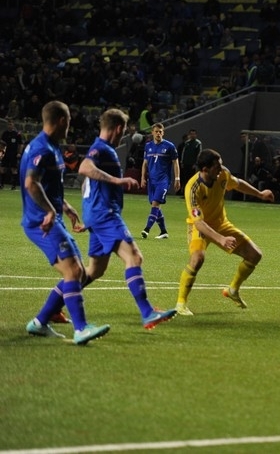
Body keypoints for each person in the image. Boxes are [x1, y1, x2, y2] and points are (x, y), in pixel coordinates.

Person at [77, 108, 177, 329]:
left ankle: (47, 313)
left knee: (95, 270)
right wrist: (117, 181)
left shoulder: (103, 149)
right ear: (118, 128)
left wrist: (88, 216)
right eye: (123, 131)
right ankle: (147, 312)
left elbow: (87, 184)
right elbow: (85, 168)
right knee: (134, 257)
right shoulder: (102, 149)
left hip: (97, 216)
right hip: (106, 215)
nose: (123, 135)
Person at [22, 100, 110, 345]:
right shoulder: (42, 148)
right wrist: (50, 211)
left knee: (78, 273)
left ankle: (40, 322)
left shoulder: (49, 147)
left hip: (52, 218)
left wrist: (64, 207)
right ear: (62, 120)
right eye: (69, 121)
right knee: (74, 271)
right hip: (41, 222)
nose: (70, 125)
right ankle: (81, 328)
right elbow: (31, 184)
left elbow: (47, 186)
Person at [175, 148, 274, 316]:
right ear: (205, 169)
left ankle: (232, 290)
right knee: (197, 259)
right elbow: (198, 222)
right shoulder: (193, 188)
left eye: (221, 165)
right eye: (217, 167)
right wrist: (220, 239)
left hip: (221, 224)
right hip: (200, 227)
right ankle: (181, 304)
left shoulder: (223, 174)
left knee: (255, 255)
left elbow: (237, 183)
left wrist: (259, 194)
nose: (221, 169)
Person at [140, 122, 180, 239]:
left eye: (160, 132)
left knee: (155, 204)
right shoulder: (148, 146)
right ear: (152, 132)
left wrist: (177, 178)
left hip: (163, 180)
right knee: (155, 205)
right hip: (151, 180)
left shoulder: (169, 146)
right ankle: (163, 231)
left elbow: (175, 162)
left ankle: (147, 229)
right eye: (156, 131)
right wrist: (142, 177)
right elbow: (145, 163)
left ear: (163, 133)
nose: (158, 133)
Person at [1, 120, 23, 190]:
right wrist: (1, 152)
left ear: (13, 125)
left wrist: (19, 153)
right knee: (3, 168)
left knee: (14, 169)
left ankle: (13, 186)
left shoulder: (17, 134)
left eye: (11, 124)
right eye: (8, 124)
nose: (9, 126)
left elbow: (20, 144)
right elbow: (2, 143)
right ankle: (1, 184)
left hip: (14, 154)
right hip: (5, 153)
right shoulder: (5, 133)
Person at [179, 128, 202, 194]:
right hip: (185, 163)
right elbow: (183, 153)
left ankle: (191, 192)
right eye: (191, 134)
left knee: (191, 179)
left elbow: (199, 154)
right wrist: (182, 162)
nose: (192, 135)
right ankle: (185, 192)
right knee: (185, 178)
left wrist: (196, 163)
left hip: (192, 164)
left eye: (194, 134)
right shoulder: (187, 143)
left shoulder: (198, 143)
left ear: (196, 135)